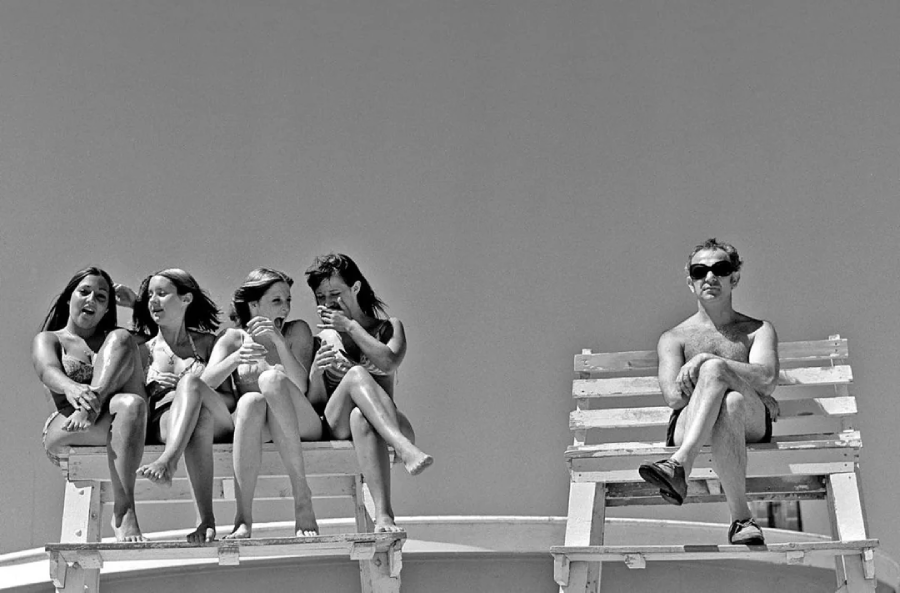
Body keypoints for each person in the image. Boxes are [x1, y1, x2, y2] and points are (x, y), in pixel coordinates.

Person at [638, 238, 780, 545]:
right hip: (691, 422)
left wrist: (709, 363)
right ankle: (741, 520)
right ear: (691, 282)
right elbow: (674, 397)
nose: (710, 277)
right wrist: (723, 381)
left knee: (719, 376)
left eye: (721, 268)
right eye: (700, 271)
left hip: (751, 423)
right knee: (731, 400)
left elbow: (767, 379)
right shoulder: (674, 337)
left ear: (735, 277)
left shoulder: (757, 330)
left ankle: (679, 466)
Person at [305, 253, 433, 533]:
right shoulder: (319, 340)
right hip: (335, 424)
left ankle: (385, 517)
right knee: (355, 375)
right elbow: (314, 404)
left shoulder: (388, 328)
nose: (327, 302)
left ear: (356, 288)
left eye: (335, 293)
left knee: (361, 418)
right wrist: (315, 373)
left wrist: (350, 326)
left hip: (379, 421)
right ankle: (402, 447)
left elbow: (388, 361)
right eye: (320, 296)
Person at [118, 269, 236, 544]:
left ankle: (168, 461)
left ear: (186, 299)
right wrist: (152, 390)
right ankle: (206, 519)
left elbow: (230, 399)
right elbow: (136, 406)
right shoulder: (142, 350)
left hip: (219, 416)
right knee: (199, 421)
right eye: (149, 296)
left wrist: (190, 387)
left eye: (161, 293)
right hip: (166, 420)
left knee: (192, 384)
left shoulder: (208, 343)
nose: (152, 301)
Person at [33, 267, 148, 542]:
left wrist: (137, 305)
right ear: (68, 298)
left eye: (101, 297)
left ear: (107, 308)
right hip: (69, 422)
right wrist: (72, 387)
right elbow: (47, 369)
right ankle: (88, 405)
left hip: (116, 419)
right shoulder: (51, 339)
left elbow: (159, 337)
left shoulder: (114, 339)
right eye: (84, 292)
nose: (91, 300)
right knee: (123, 343)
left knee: (131, 395)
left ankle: (124, 510)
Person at [203, 268, 320, 539]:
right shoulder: (233, 338)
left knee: (272, 380)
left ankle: (302, 495)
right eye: (277, 300)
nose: (286, 308)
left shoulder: (296, 331)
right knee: (249, 401)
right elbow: (204, 385)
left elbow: (301, 386)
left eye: (288, 300)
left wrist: (278, 342)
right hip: (260, 429)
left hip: (303, 423)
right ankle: (243, 517)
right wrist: (235, 359)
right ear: (254, 304)